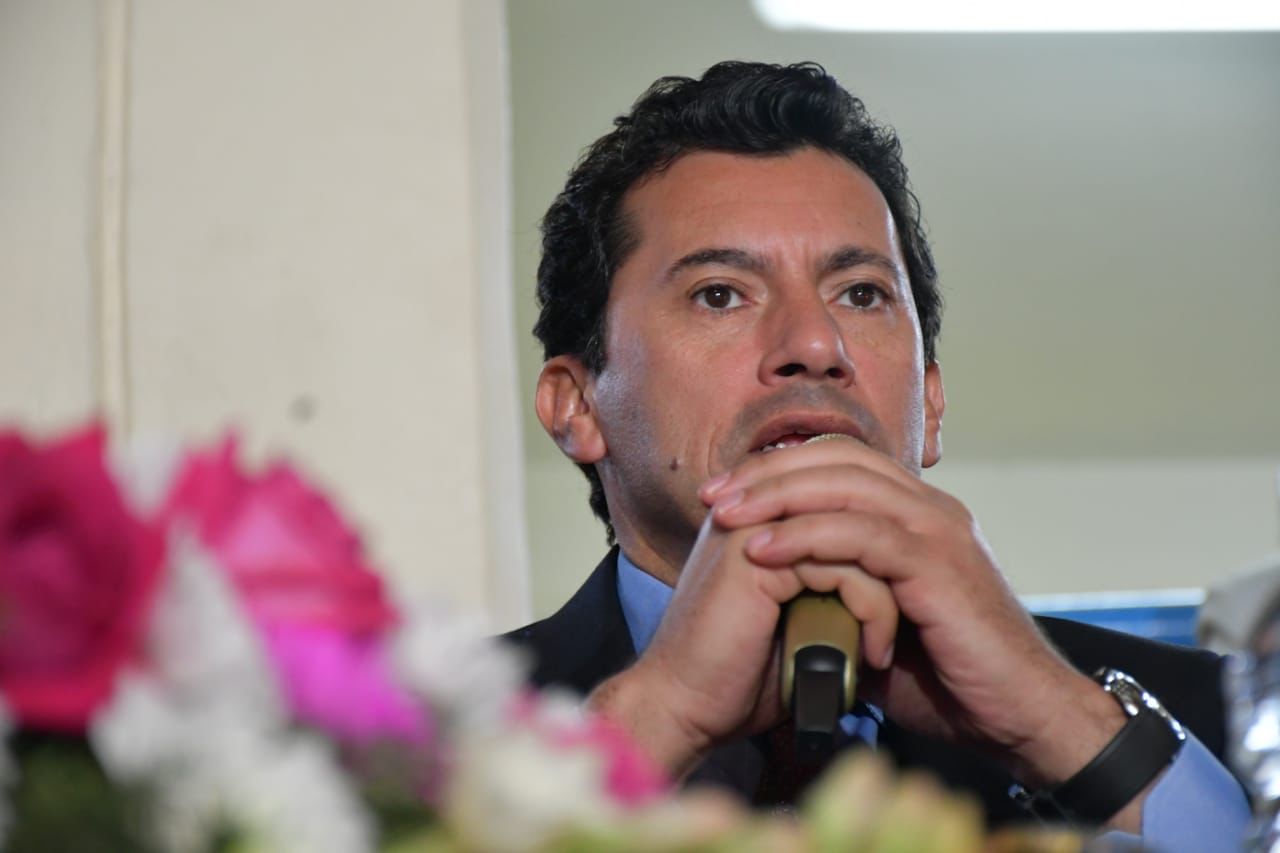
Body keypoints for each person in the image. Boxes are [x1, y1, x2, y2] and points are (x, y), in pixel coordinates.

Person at [505, 61, 1249, 845]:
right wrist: (659, 716)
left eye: (861, 293)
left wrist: (1059, 723)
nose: (815, 345)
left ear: (930, 404)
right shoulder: (439, 740)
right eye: (719, 293)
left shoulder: (1217, 725)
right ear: (577, 405)